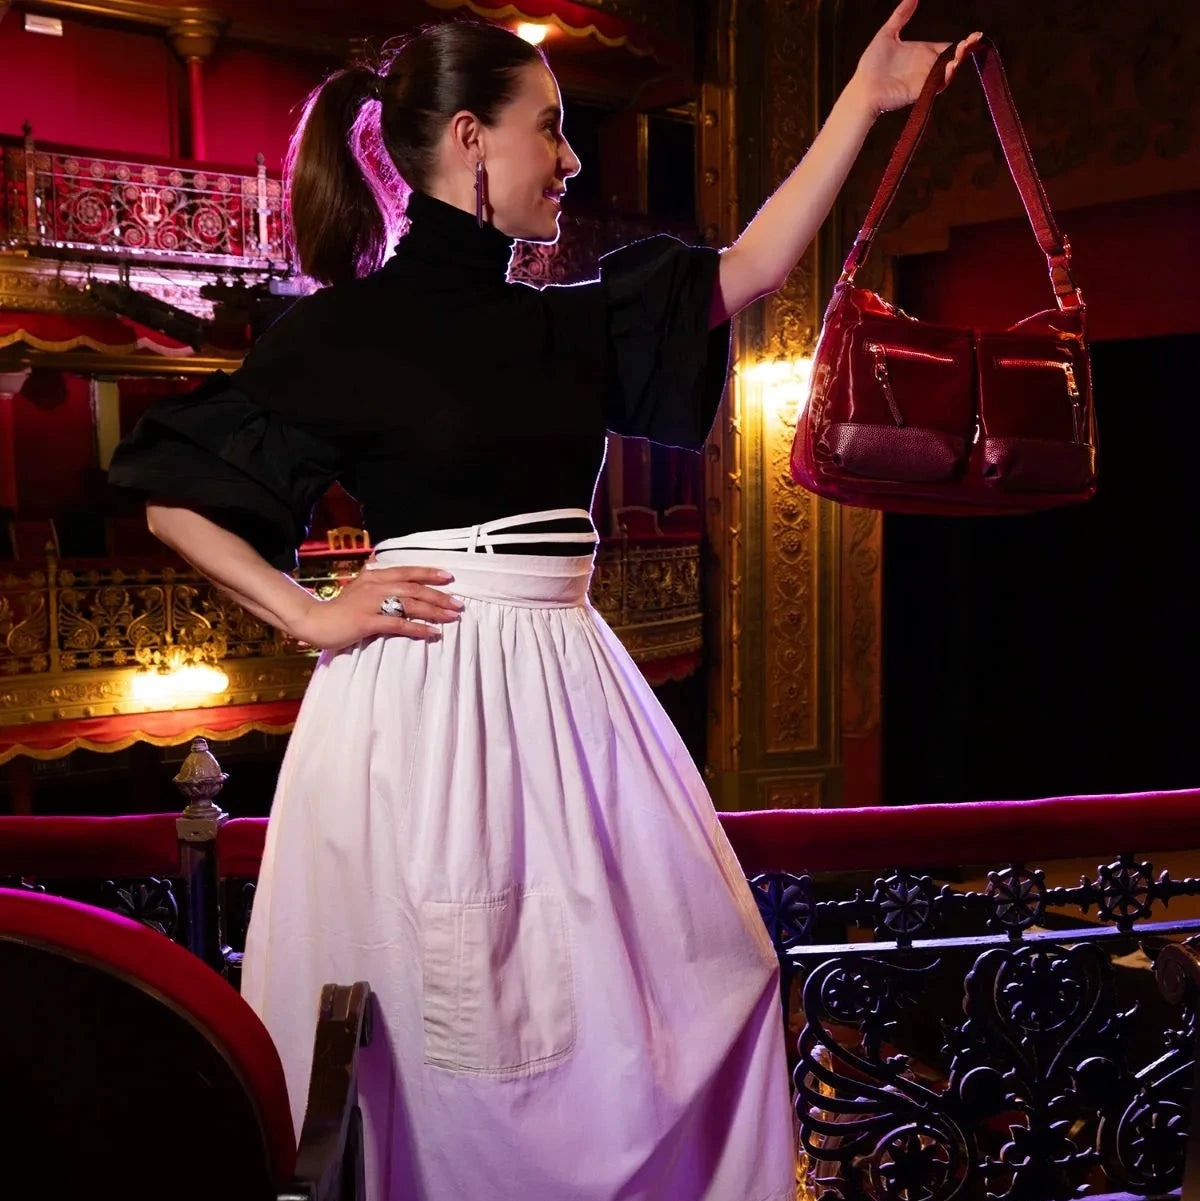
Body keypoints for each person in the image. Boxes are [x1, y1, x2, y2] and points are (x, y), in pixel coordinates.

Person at [109, 3, 979, 1197]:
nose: (570, 159)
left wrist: (865, 103)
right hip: (423, 708)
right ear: (471, 139)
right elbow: (175, 498)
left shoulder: (568, 323)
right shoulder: (343, 334)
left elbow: (755, 263)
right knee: (437, 1044)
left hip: (569, 691)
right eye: (549, 130)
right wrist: (309, 612)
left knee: (708, 980)